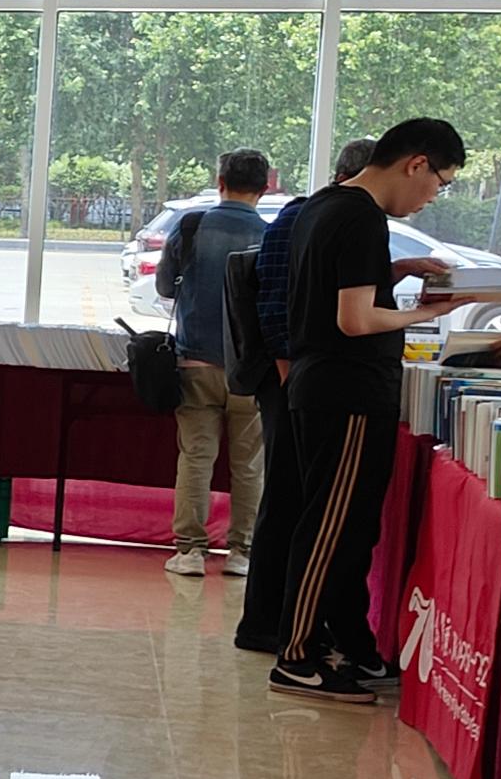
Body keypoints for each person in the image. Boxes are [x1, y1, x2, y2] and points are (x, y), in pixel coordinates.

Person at [270, 118, 470, 703]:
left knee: (350, 530)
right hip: (346, 392)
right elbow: (355, 320)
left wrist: (395, 273)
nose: (432, 196)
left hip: (327, 386)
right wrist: (429, 312)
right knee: (328, 529)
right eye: (439, 183)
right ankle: (296, 656)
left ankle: (349, 644)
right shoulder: (361, 217)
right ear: (416, 163)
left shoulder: (329, 203)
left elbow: (336, 285)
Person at [235, 138, 373, 653]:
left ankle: (291, 618)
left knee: (295, 498)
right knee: (289, 498)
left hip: (304, 377)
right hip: (291, 380)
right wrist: (290, 372)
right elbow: (275, 300)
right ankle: (268, 622)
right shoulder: (305, 216)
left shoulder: (319, 215)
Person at [157, 150, 270, 578]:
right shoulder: (271, 235)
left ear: (220, 182)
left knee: (196, 458)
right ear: (264, 189)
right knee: (249, 465)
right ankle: (243, 552)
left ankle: (189, 551)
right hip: (249, 371)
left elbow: (165, 286)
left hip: (194, 363)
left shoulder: (190, 226)